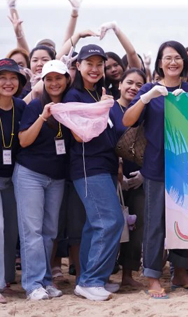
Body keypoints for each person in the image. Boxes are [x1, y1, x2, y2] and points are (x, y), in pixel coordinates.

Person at [123, 41, 188, 299]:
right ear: (159, 62)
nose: (173, 62)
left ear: (184, 62)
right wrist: (146, 98)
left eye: (178, 57)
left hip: (185, 167)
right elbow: (128, 120)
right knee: (155, 222)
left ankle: (180, 272)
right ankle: (152, 275)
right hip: (156, 166)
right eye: (167, 57)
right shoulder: (149, 89)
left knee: (183, 220)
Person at [63, 45, 124, 301]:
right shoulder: (73, 95)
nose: (95, 69)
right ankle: (91, 280)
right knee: (110, 221)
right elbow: (80, 135)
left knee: (94, 224)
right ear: (78, 66)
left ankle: (89, 279)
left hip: (106, 164)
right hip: (88, 166)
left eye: (100, 64)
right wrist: (100, 108)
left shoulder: (101, 92)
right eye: (89, 63)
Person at [15, 60, 70, 300]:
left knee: (50, 232)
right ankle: (32, 284)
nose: (54, 83)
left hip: (56, 177)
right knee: (32, 231)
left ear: (67, 79)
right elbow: (24, 140)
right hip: (30, 174)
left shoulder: (70, 106)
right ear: (43, 82)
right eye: (49, 79)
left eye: (59, 78)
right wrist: (42, 116)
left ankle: (45, 281)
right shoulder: (35, 105)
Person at [112, 69, 147, 289]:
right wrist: (117, 171)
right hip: (112, 176)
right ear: (120, 84)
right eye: (129, 82)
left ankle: (128, 274)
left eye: (139, 85)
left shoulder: (146, 109)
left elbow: (154, 142)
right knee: (111, 225)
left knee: (137, 225)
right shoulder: (109, 108)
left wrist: (144, 174)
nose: (133, 88)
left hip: (140, 177)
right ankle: (105, 271)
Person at [0, 59, 26, 304]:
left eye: (13, 78)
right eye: (2, 78)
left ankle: (7, 279)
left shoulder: (21, 106)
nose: (8, 82)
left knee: (11, 230)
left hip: (13, 177)